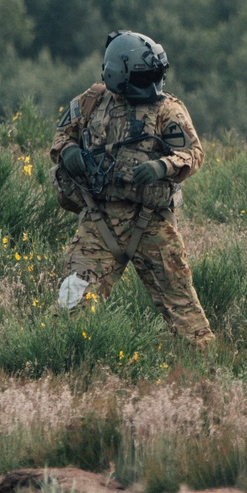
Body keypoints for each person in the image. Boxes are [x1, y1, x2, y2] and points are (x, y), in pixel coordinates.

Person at [50, 30, 214, 347]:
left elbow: (194, 154)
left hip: (151, 223)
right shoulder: (91, 102)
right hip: (99, 222)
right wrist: (69, 151)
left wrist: (162, 166)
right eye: (143, 77)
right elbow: (61, 138)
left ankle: (207, 376)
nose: (152, 84)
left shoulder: (169, 111)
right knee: (71, 309)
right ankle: (65, 372)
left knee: (186, 316)